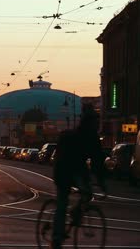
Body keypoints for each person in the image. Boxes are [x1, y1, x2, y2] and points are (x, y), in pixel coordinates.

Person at [51, 105, 106, 249]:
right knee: (62, 203)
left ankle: (75, 211)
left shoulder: (93, 138)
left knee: (87, 193)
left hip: (77, 171)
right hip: (63, 170)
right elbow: (96, 162)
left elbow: (98, 162)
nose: (97, 125)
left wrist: (101, 182)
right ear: (89, 123)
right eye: (95, 123)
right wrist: (100, 181)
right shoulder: (75, 136)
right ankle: (56, 237)